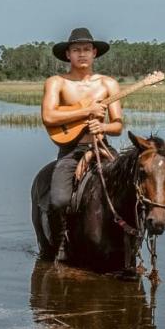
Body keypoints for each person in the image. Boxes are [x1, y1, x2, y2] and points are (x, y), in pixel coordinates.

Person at [39, 28, 124, 259]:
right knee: (58, 200)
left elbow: (118, 126)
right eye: (76, 50)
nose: (82, 54)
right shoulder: (56, 82)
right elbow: (48, 117)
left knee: (131, 188)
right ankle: (61, 245)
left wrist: (103, 127)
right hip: (71, 150)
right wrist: (87, 111)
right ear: (68, 54)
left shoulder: (108, 84)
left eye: (87, 49)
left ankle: (130, 242)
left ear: (94, 53)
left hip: (102, 147)